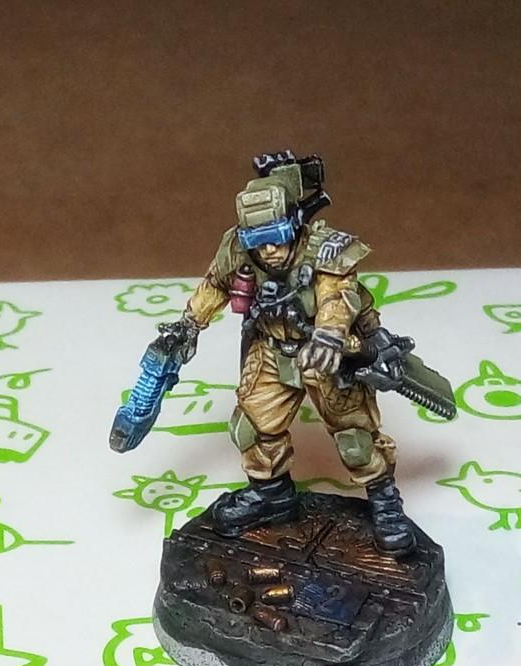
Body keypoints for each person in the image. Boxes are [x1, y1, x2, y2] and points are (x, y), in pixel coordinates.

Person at [172, 152, 415, 556]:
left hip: (325, 355)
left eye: (277, 235)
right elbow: (215, 285)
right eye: (257, 240)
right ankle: (272, 495)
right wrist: (188, 324)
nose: (268, 250)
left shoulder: (324, 250)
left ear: (295, 223)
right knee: (252, 427)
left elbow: (338, 296)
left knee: (355, 438)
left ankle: (385, 502)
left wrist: (330, 335)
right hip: (271, 349)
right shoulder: (239, 250)